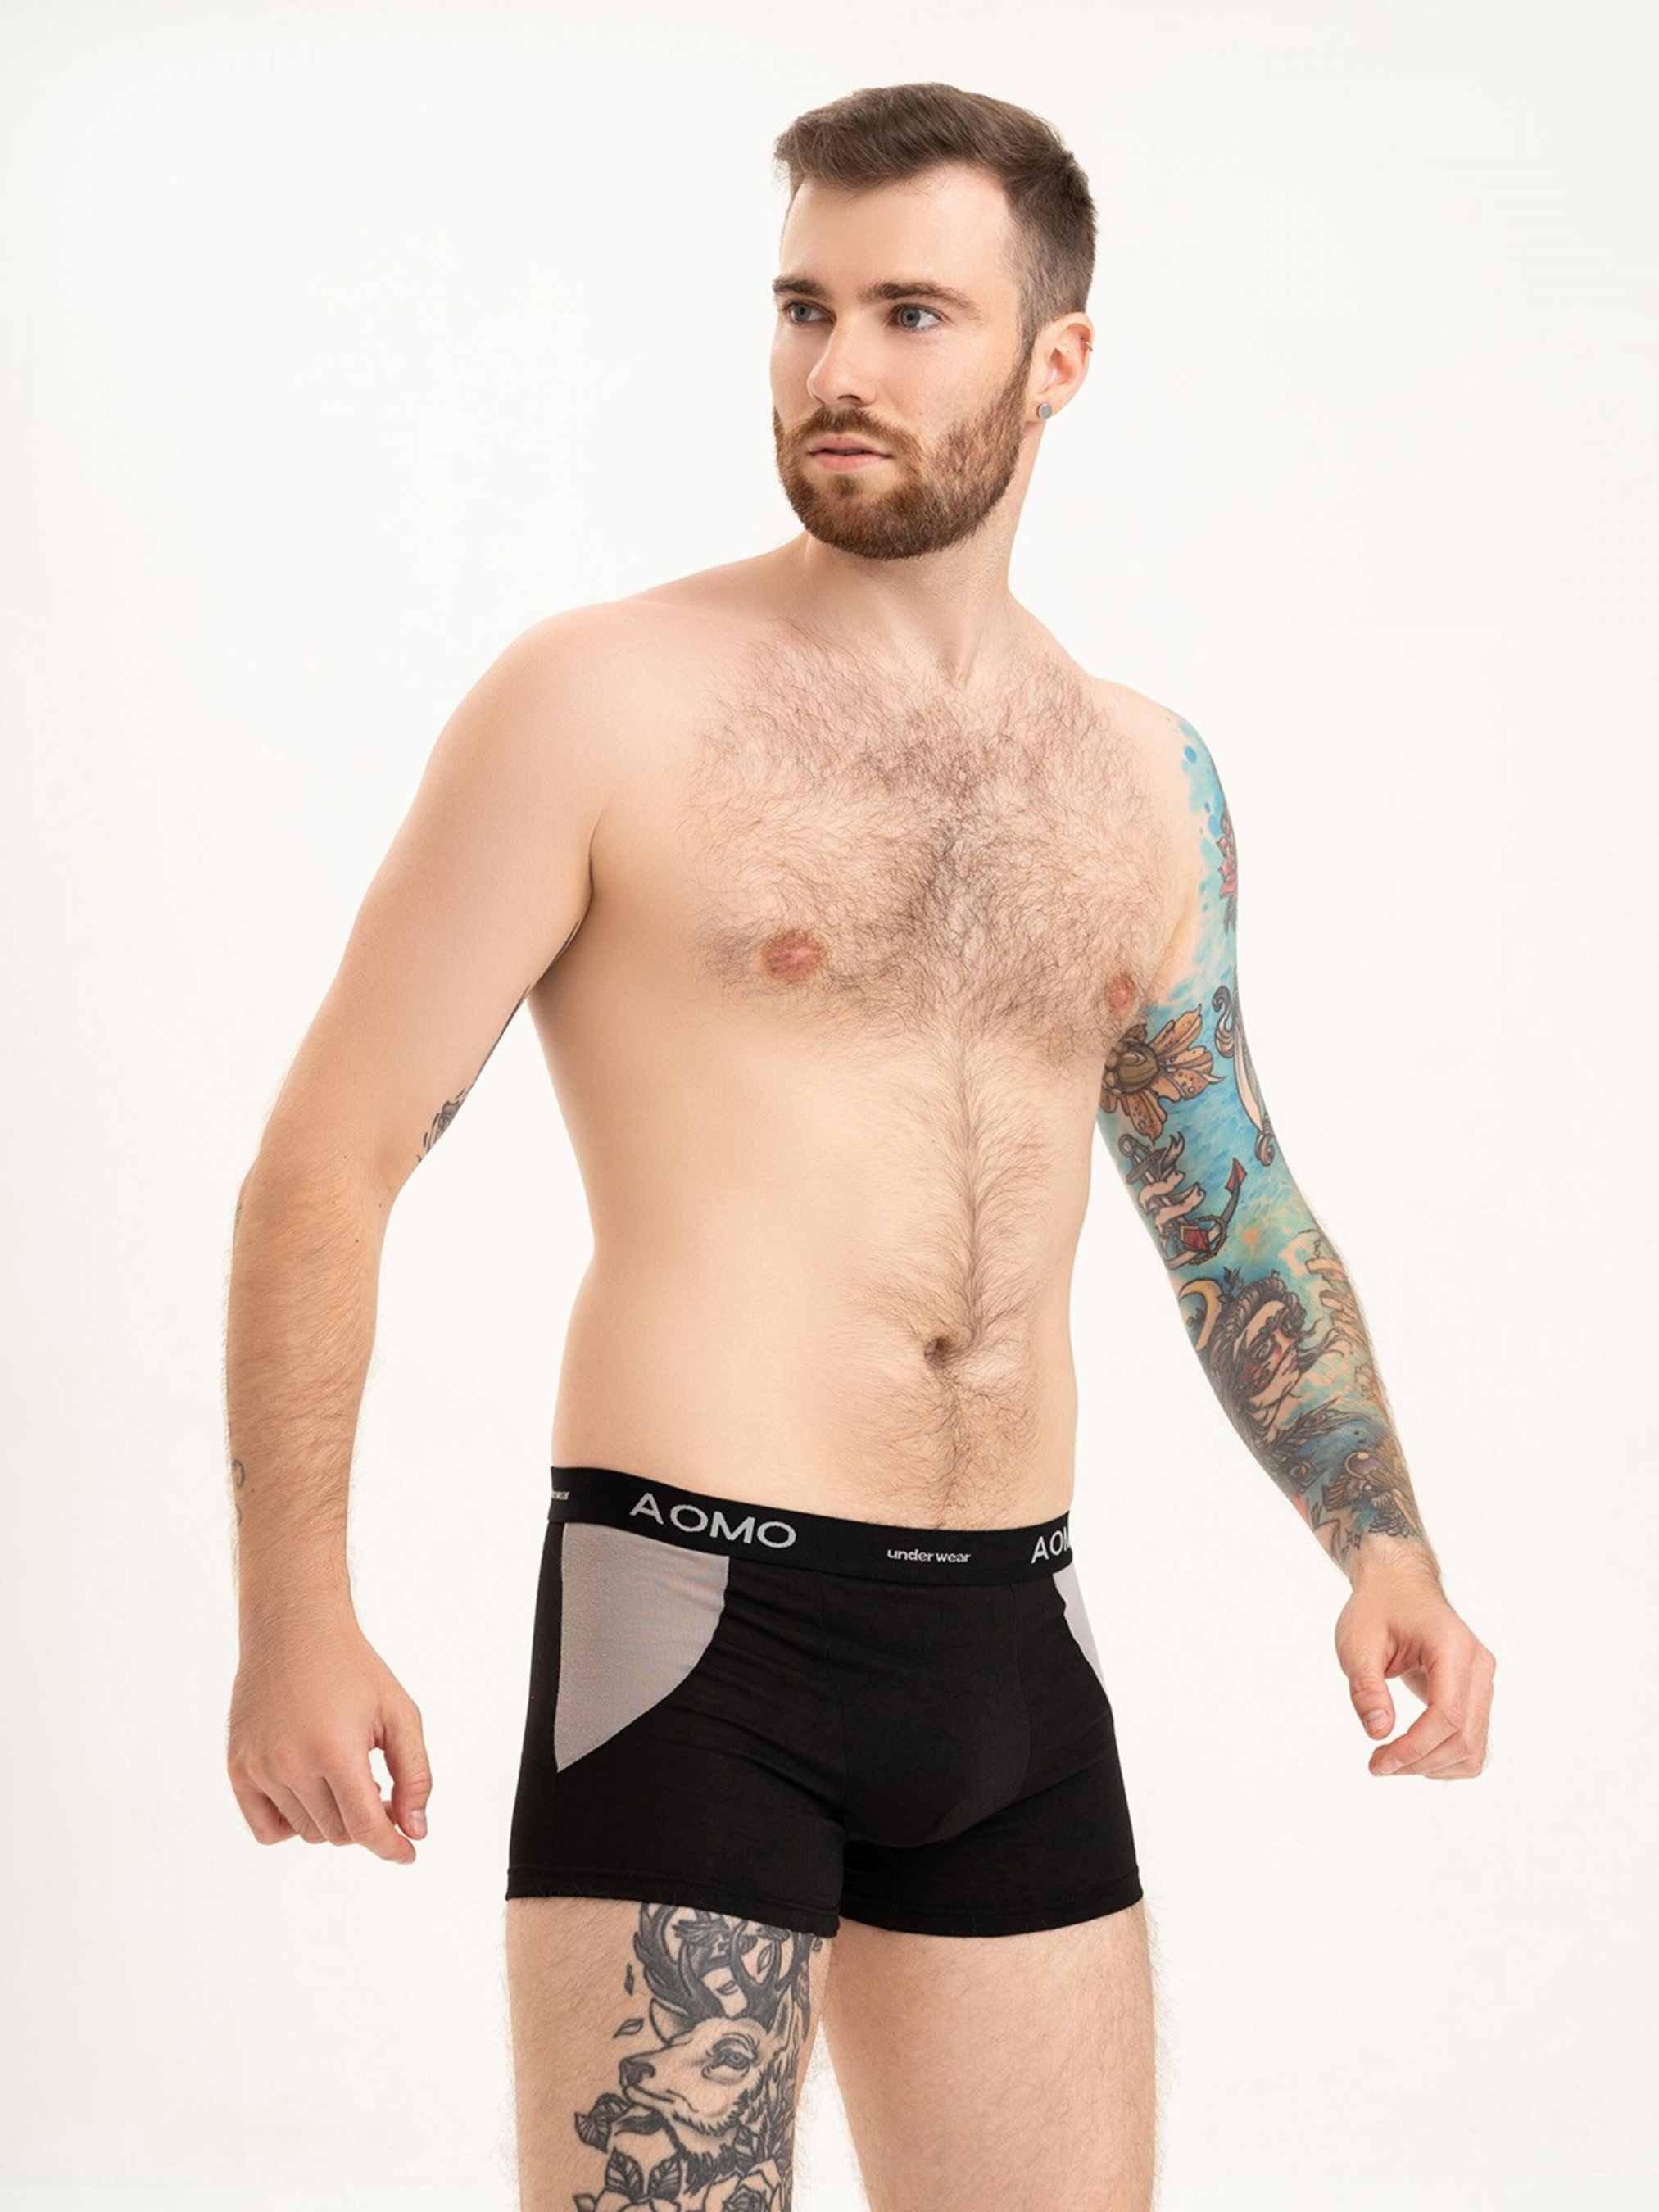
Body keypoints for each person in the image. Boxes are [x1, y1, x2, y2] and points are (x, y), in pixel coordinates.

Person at [223, 79, 1497, 2212]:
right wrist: (293, 1614)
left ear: (1054, 360)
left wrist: (1381, 1540)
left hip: (1012, 1647)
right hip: (695, 1631)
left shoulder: (1142, 776)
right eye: (804, 306)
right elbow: (326, 1157)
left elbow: (1228, 1201)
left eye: (912, 314)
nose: (837, 368)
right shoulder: (601, 699)